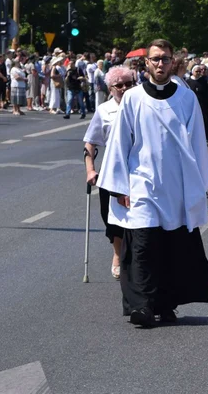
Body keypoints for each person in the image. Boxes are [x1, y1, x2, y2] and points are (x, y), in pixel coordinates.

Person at [98, 39, 208, 328]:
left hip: (175, 187)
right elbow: (120, 142)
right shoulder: (134, 98)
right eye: (155, 59)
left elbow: (198, 143)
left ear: (173, 62)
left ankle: (165, 304)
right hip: (142, 184)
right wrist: (118, 186)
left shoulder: (186, 99)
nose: (160, 64)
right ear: (146, 63)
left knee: (171, 247)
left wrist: (199, 186)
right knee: (144, 246)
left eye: (165, 59)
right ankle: (141, 306)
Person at [83, 65, 138, 280]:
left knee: (138, 215)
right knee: (111, 217)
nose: (124, 88)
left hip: (139, 169)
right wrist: (90, 170)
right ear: (110, 88)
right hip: (112, 171)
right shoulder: (104, 110)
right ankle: (117, 254)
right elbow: (90, 142)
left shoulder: (142, 105)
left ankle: (136, 258)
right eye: (119, 85)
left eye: (129, 84)